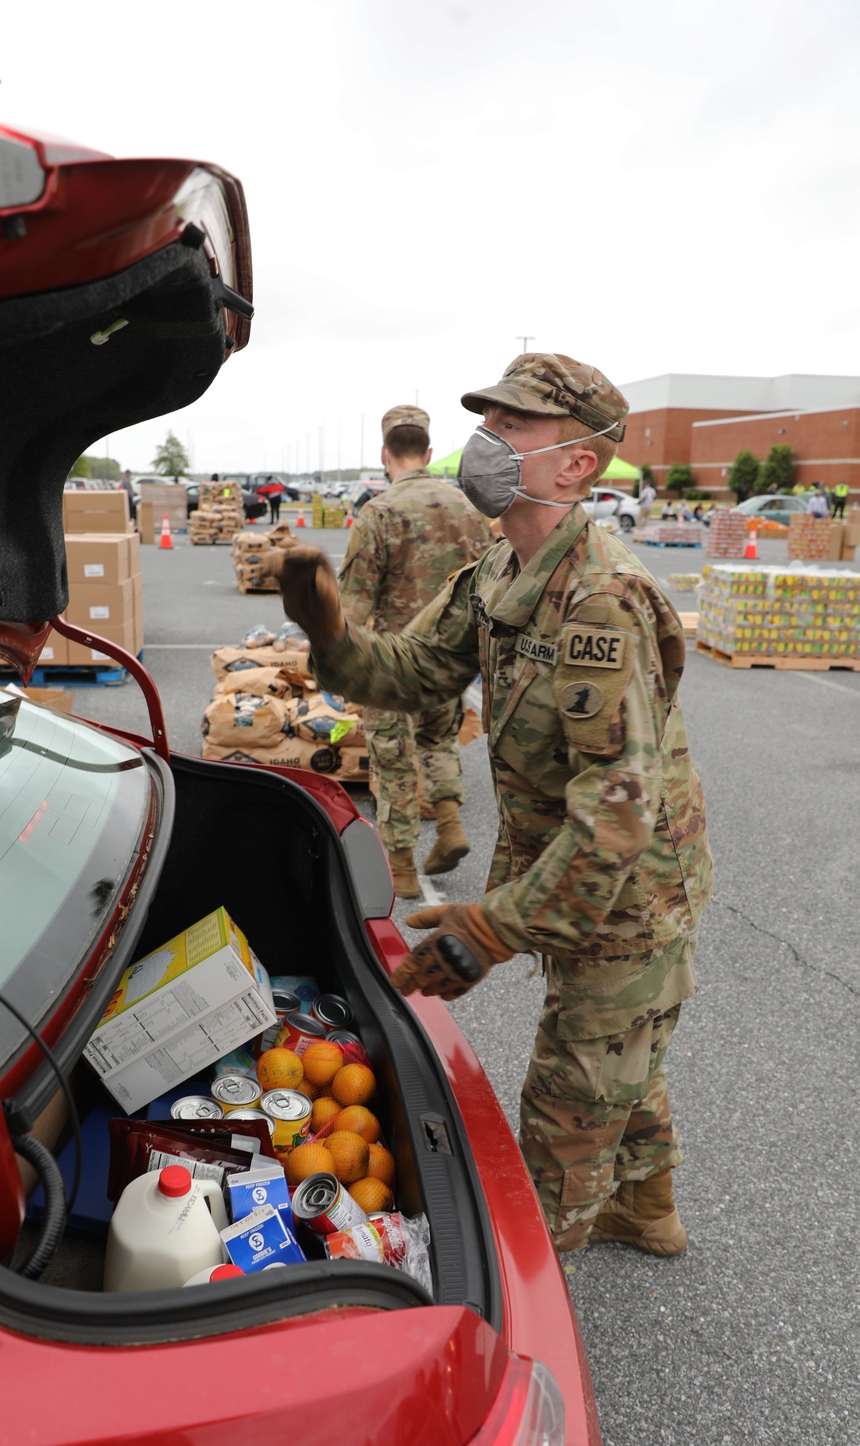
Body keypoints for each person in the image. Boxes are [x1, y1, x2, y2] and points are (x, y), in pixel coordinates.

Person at [265, 353, 713, 1258]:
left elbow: (620, 808)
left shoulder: (600, 599)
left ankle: (535, 1312)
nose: (485, 442)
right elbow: (414, 673)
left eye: (512, 427)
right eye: (488, 422)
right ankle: (649, 1210)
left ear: (576, 464)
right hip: (571, 876)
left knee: (564, 1110)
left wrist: (491, 931)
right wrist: (330, 633)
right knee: (621, 1056)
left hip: (626, 897)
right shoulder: (502, 568)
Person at [337, 405, 492, 899]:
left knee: (393, 762)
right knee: (439, 743)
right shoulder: (468, 510)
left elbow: (353, 606)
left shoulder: (379, 512)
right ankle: (450, 824)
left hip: (391, 664)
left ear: (386, 454)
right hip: (449, 658)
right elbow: (489, 587)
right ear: (427, 453)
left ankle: (401, 871)